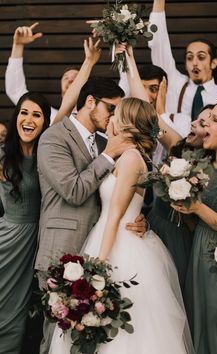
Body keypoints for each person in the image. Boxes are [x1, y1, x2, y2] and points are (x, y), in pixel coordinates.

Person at [48, 97, 194, 354]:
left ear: (126, 123)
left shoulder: (130, 158)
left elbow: (115, 215)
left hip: (117, 245)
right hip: (110, 236)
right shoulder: (126, 156)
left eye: (116, 113)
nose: (110, 117)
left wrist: (96, 270)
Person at [35, 77, 147, 354]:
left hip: (101, 249)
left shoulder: (104, 141)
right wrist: (108, 155)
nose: (114, 117)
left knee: (91, 340)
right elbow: (73, 190)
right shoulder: (53, 138)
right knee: (56, 336)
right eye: (111, 109)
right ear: (89, 102)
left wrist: (135, 218)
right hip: (62, 250)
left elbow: (117, 194)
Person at [172, 99, 217, 353]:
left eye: (215, 120)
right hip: (196, 255)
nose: (206, 123)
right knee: (195, 326)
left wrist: (197, 207)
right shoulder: (199, 166)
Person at [0, 92, 50, 354]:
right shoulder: (2, 157)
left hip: (33, 242)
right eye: (24, 112)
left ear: (45, 122)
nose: (28, 119)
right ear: (16, 116)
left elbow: (65, 109)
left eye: (37, 114)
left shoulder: (47, 154)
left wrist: (88, 62)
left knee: (16, 321)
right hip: (6, 242)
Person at [147, 105, 214, 292]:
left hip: (180, 236)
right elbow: (154, 123)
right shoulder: (177, 147)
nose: (193, 123)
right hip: (154, 225)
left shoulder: (212, 169)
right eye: (195, 119)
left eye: (202, 123)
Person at [149, 0, 217, 120]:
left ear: (213, 63)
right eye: (189, 58)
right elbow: (158, 42)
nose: (194, 63)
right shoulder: (174, 83)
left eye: (201, 57)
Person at [5, 22, 79, 123]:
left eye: (76, 77)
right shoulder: (48, 115)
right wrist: (18, 45)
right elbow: (15, 90)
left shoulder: (98, 119)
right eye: (65, 78)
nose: (70, 80)